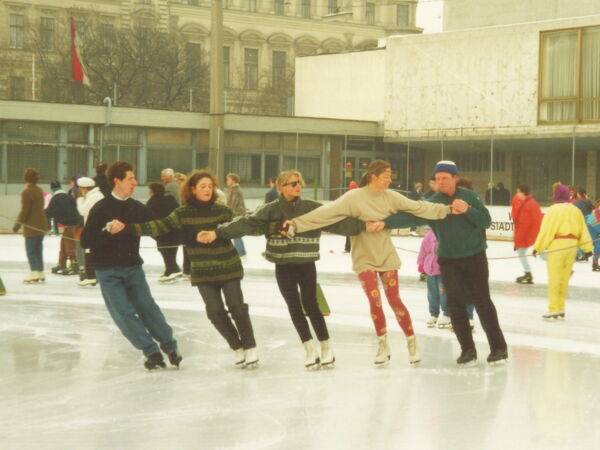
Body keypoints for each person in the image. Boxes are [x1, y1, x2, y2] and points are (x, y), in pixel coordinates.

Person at [285, 160, 453, 366]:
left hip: (386, 256)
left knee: (394, 300)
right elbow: (325, 214)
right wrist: (296, 224)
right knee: (375, 302)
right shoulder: (353, 197)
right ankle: (383, 345)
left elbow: (418, 207)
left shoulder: (391, 197)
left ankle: (411, 342)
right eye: (386, 175)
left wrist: (447, 209)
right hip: (363, 258)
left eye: (390, 176)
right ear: (374, 176)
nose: (390, 180)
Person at [201, 170, 365, 368]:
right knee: (294, 307)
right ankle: (309, 349)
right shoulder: (270, 210)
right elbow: (247, 223)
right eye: (292, 183)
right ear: (281, 187)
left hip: (305, 263)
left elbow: (335, 221)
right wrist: (218, 233)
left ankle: (326, 347)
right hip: (283, 265)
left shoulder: (311, 207)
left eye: (299, 183)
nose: (297, 186)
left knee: (311, 305)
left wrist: (363, 225)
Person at [112, 169, 258, 368]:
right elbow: (158, 227)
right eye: (203, 186)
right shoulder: (183, 213)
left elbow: (244, 225)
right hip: (202, 271)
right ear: (192, 189)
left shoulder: (221, 210)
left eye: (210, 186)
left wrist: (218, 233)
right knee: (215, 312)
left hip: (228, 267)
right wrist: (128, 228)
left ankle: (250, 347)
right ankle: (237, 346)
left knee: (237, 307)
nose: (207, 190)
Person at [384, 161, 507, 366]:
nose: (440, 182)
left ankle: (498, 347)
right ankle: (467, 350)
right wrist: (385, 221)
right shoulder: (434, 202)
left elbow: (485, 221)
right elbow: (412, 217)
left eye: (445, 178)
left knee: (482, 302)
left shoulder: (469, 196)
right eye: (438, 178)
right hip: (448, 260)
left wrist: (467, 209)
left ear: (455, 179)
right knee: (454, 304)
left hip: (475, 256)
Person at [81, 161, 182, 370]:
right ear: (117, 181)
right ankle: (151, 352)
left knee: (147, 307)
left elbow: (158, 229)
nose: (135, 183)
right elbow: (86, 241)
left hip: (132, 268)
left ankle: (170, 347)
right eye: (130, 178)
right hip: (107, 271)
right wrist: (106, 231)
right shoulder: (100, 208)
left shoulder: (138, 208)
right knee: (123, 314)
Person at [533, 184, 593, 320]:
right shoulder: (575, 210)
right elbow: (583, 229)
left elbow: (546, 231)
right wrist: (587, 248)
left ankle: (554, 308)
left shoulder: (553, 210)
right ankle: (561, 307)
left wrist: (538, 247)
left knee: (555, 278)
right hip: (572, 247)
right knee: (564, 279)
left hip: (558, 246)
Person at [13, 168, 49, 283]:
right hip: (41, 224)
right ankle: (40, 271)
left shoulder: (26, 192)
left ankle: (34, 272)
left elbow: (25, 211)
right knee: (38, 249)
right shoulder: (39, 190)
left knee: (31, 250)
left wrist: (17, 225)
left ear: (25, 178)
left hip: (31, 226)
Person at [146, 182, 182, 283]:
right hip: (175, 231)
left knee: (164, 251)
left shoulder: (152, 202)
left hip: (162, 232)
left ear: (152, 191)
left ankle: (173, 269)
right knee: (171, 251)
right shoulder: (170, 199)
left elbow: (148, 217)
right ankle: (169, 270)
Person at [45, 181, 82, 275]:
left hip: (70, 224)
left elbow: (49, 212)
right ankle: (62, 263)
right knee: (63, 242)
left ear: (52, 189)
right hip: (75, 222)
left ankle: (74, 263)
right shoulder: (68, 196)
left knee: (69, 243)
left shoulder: (56, 198)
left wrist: (43, 218)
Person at [418, 230, 451, 329]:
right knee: (432, 294)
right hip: (430, 268)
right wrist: (421, 263)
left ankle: (447, 314)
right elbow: (423, 250)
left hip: (443, 269)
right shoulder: (429, 234)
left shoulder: (447, 233)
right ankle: (433, 314)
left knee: (443, 293)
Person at [511, 184, 543, 284]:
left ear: (522, 192)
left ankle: (528, 274)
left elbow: (524, 224)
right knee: (540, 253)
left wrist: (517, 240)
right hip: (534, 233)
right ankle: (528, 273)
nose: (517, 194)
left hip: (531, 234)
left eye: (518, 192)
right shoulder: (530, 202)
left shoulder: (527, 204)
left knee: (524, 252)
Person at [76, 177, 104, 286]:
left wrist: (79, 200)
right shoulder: (94, 195)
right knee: (91, 251)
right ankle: (92, 275)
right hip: (94, 227)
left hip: (93, 227)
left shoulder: (94, 197)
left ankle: (91, 276)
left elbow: (83, 211)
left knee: (89, 251)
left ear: (84, 188)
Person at [226, 173, 247, 258]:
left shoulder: (235, 190)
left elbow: (233, 204)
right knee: (236, 234)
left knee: (235, 233)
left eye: (228, 179)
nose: (227, 181)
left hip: (236, 215)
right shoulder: (234, 189)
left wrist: (228, 213)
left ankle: (240, 252)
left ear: (233, 180)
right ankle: (241, 251)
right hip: (237, 215)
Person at [344, 180, 359, 252]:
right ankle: (348, 248)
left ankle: (348, 248)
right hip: (353, 218)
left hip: (354, 218)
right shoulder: (357, 195)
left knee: (350, 234)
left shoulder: (349, 196)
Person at [586, 200, 600, 272]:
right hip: (589, 236)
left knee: (598, 247)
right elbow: (597, 225)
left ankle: (595, 264)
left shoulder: (597, 213)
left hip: (595, 236)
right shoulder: (595, 215)